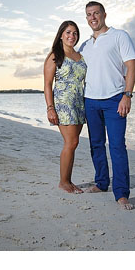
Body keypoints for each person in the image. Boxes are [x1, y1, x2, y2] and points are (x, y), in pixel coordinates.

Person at [78, 1, 135, 210]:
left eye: (96, 13)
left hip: (115, 99)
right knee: (96, 145)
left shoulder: (119, 36)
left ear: (104, 14)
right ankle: (102, 183)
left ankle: (121, 193)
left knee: (117, 146)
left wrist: (127, 95)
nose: (92, 17)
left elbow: (131, 66)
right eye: (88, 15)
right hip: (90, 101)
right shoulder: (84, 45)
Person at [44, 20, 87, 194]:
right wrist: (50, 108)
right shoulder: (55, 55)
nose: (72, 36)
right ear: (61, 34)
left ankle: (68, 179)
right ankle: (64, 182)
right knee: (71, 142)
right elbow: (47, 84)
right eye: (68, 32)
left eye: (75, 33)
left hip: (79, 103)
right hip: (63, 104)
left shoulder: (81, 56)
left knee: (73, 144)